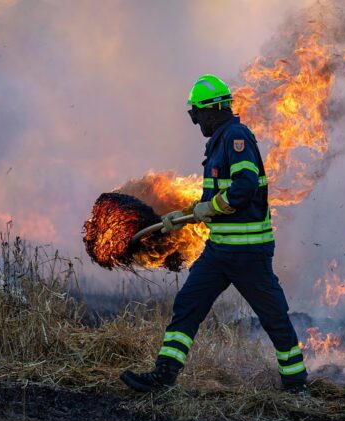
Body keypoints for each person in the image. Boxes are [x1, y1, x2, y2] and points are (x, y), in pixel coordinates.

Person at [120, 74, 308, 393]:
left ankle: (296, 383)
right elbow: (214, 200)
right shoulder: (219, 142)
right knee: (188, 304)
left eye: (197, 114)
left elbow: (244, 187)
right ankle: (163, 376)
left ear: (212, 110)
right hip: (219, 252)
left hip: (248, 253)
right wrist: (185, 214)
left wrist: (212, 206)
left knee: (273, 316)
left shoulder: (236, 137)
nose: (197, 123)